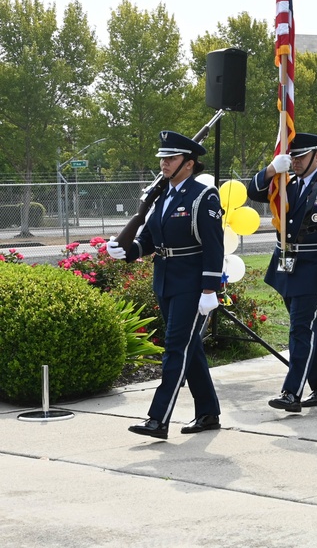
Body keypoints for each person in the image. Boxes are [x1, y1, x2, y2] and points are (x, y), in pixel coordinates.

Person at [108, 131, 224, 439]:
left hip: (191, 283)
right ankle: (209, 413)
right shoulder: (162, 197)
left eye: (171, 159)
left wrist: (210, 289)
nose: (164, 163)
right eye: (163, 158)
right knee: (189, 348)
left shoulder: (203, 195)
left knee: (175, 348)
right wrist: (126, 250)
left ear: (189, 164)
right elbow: (149, 241)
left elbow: (214, 245)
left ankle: (158, 419)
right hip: (165, 280)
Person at [246, 133, 317, 412]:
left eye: (301, 156)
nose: (294, 162)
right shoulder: (285, 183)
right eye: (292, 156)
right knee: (310, 327)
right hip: (287, 267)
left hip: (314, 268)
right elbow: (254, 192)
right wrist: (271, 169)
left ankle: (291, 391)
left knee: (300, 329)